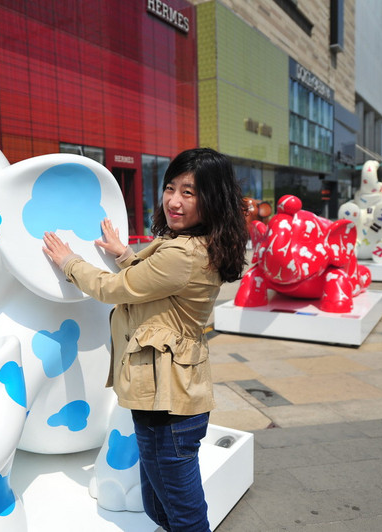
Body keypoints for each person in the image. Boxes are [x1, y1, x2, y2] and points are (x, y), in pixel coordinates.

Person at [43, 148, 248, 532]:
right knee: (159, 505)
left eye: (189, 192)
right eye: (171, 188)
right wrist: (125, 254)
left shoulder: (182, 253)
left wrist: (69, 261)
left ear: (212, 199)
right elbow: (158, 282)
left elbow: (111, 289)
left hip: (169, 404)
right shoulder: (200, 244)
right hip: (165, 395)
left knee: (183, 516)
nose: (174, 201)